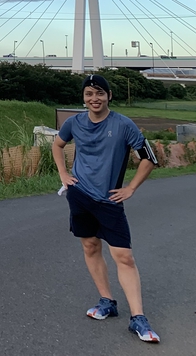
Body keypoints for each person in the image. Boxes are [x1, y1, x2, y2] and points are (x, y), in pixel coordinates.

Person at [51, 74, 161, 343]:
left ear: (109, 96)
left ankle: (138, 317)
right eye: (89, 94)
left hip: (109, 200)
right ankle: (107, 301)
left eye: (100, 93)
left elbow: (149, 158)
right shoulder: (74, 122)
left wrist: (131, 188)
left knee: (123, 256)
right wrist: (63, 174)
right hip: (79, 195)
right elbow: (57, 144)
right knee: (90, 246)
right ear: (83, 98)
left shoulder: (123, 124)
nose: (94, 99)